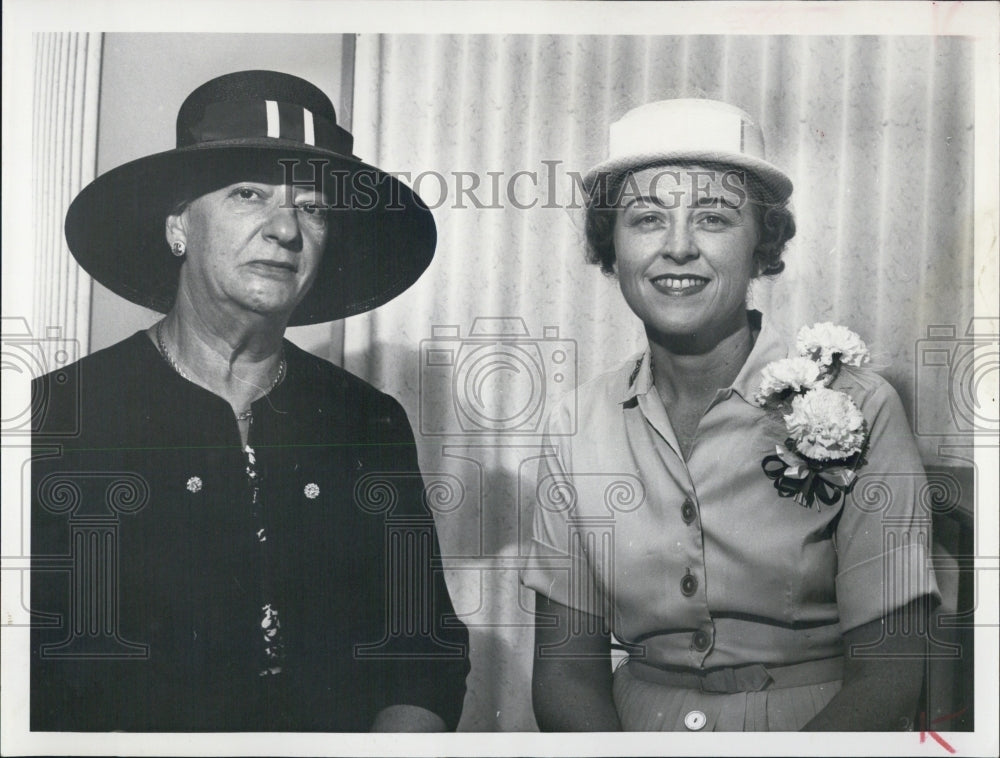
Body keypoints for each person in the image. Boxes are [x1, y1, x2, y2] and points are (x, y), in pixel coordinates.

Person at [30, 70, 468, 732]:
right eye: (248, 194)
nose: (285, 230)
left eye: (313, 207)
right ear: (178, 227)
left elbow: (421, 651)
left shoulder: (368, 421)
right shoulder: (57, 419)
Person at [522, 99, 939, 731]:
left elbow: (892, 672)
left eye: (714, 218)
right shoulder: (575, 423)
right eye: (646, 219)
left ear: (761, 245)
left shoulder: (861, 404)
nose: (679, 248)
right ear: (611, 245)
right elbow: (564, 672)